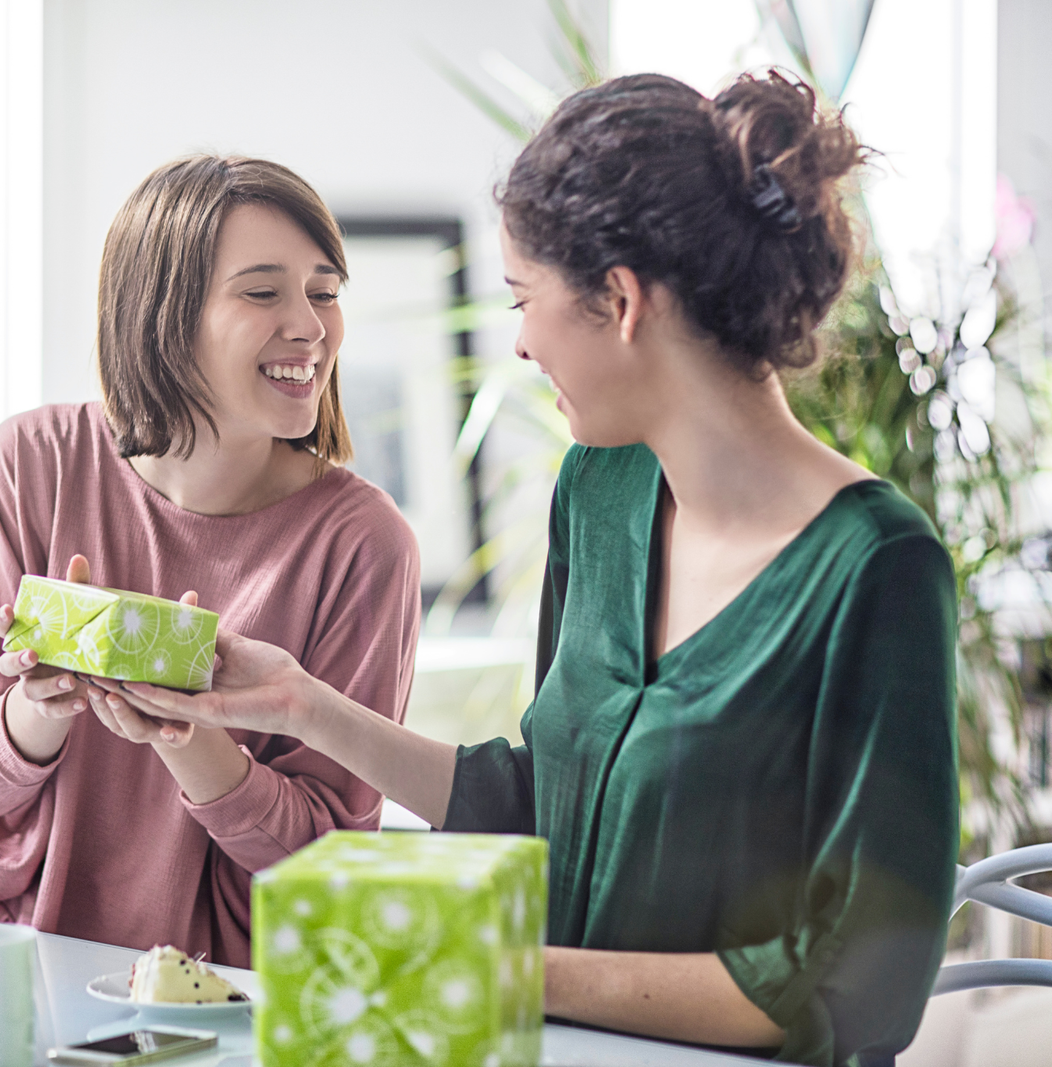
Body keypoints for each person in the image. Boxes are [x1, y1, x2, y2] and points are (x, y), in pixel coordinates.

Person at [99, 73, 959, 1066]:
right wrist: (302, 704)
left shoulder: (875, 567)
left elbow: (862, 987)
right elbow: (550, 799)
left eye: (524, 298)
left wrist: (505, 960)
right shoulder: (598, 492)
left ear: (621, 301)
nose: (516, 339)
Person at [0, 155, 422, 967]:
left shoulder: (364, 542)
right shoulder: (31, 464)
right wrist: (42, 703)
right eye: (263, 292)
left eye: (325, 292)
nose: (311, 325)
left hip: (228, 999)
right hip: (14, 968)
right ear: (163, 313)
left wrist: (187, 732)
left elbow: (328, 866)